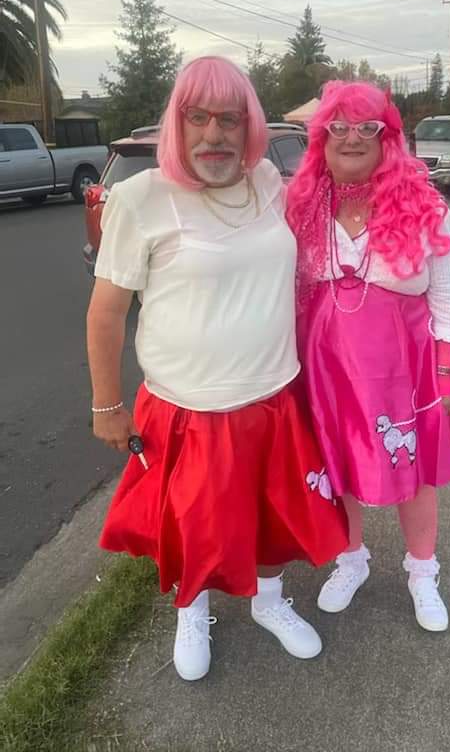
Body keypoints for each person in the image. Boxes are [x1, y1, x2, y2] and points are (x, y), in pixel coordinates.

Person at [87, 56, 348, 681]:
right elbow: (105, 314)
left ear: (249, 126)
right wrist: (107, 405)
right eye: (197, 117)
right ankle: (191, 610)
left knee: (273, 518)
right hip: (188, 407)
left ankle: (269, 601)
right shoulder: (140, 199)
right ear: (176, 125)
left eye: (229, 119)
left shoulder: (268, 182)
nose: (214, 134)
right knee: (196, 524)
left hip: (273, 395)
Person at [287, 81, 450, 633]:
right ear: (322, 138)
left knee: (416, 470)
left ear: (388, 138)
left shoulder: (425, 205)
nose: (352, 138)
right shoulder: (300, 206)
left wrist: (445, 376)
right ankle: (351, 560)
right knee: (337, 465)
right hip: (327, 368)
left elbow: (448, 299)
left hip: (407, 368)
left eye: (367, 127)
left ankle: (422, 573)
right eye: (338, 127)